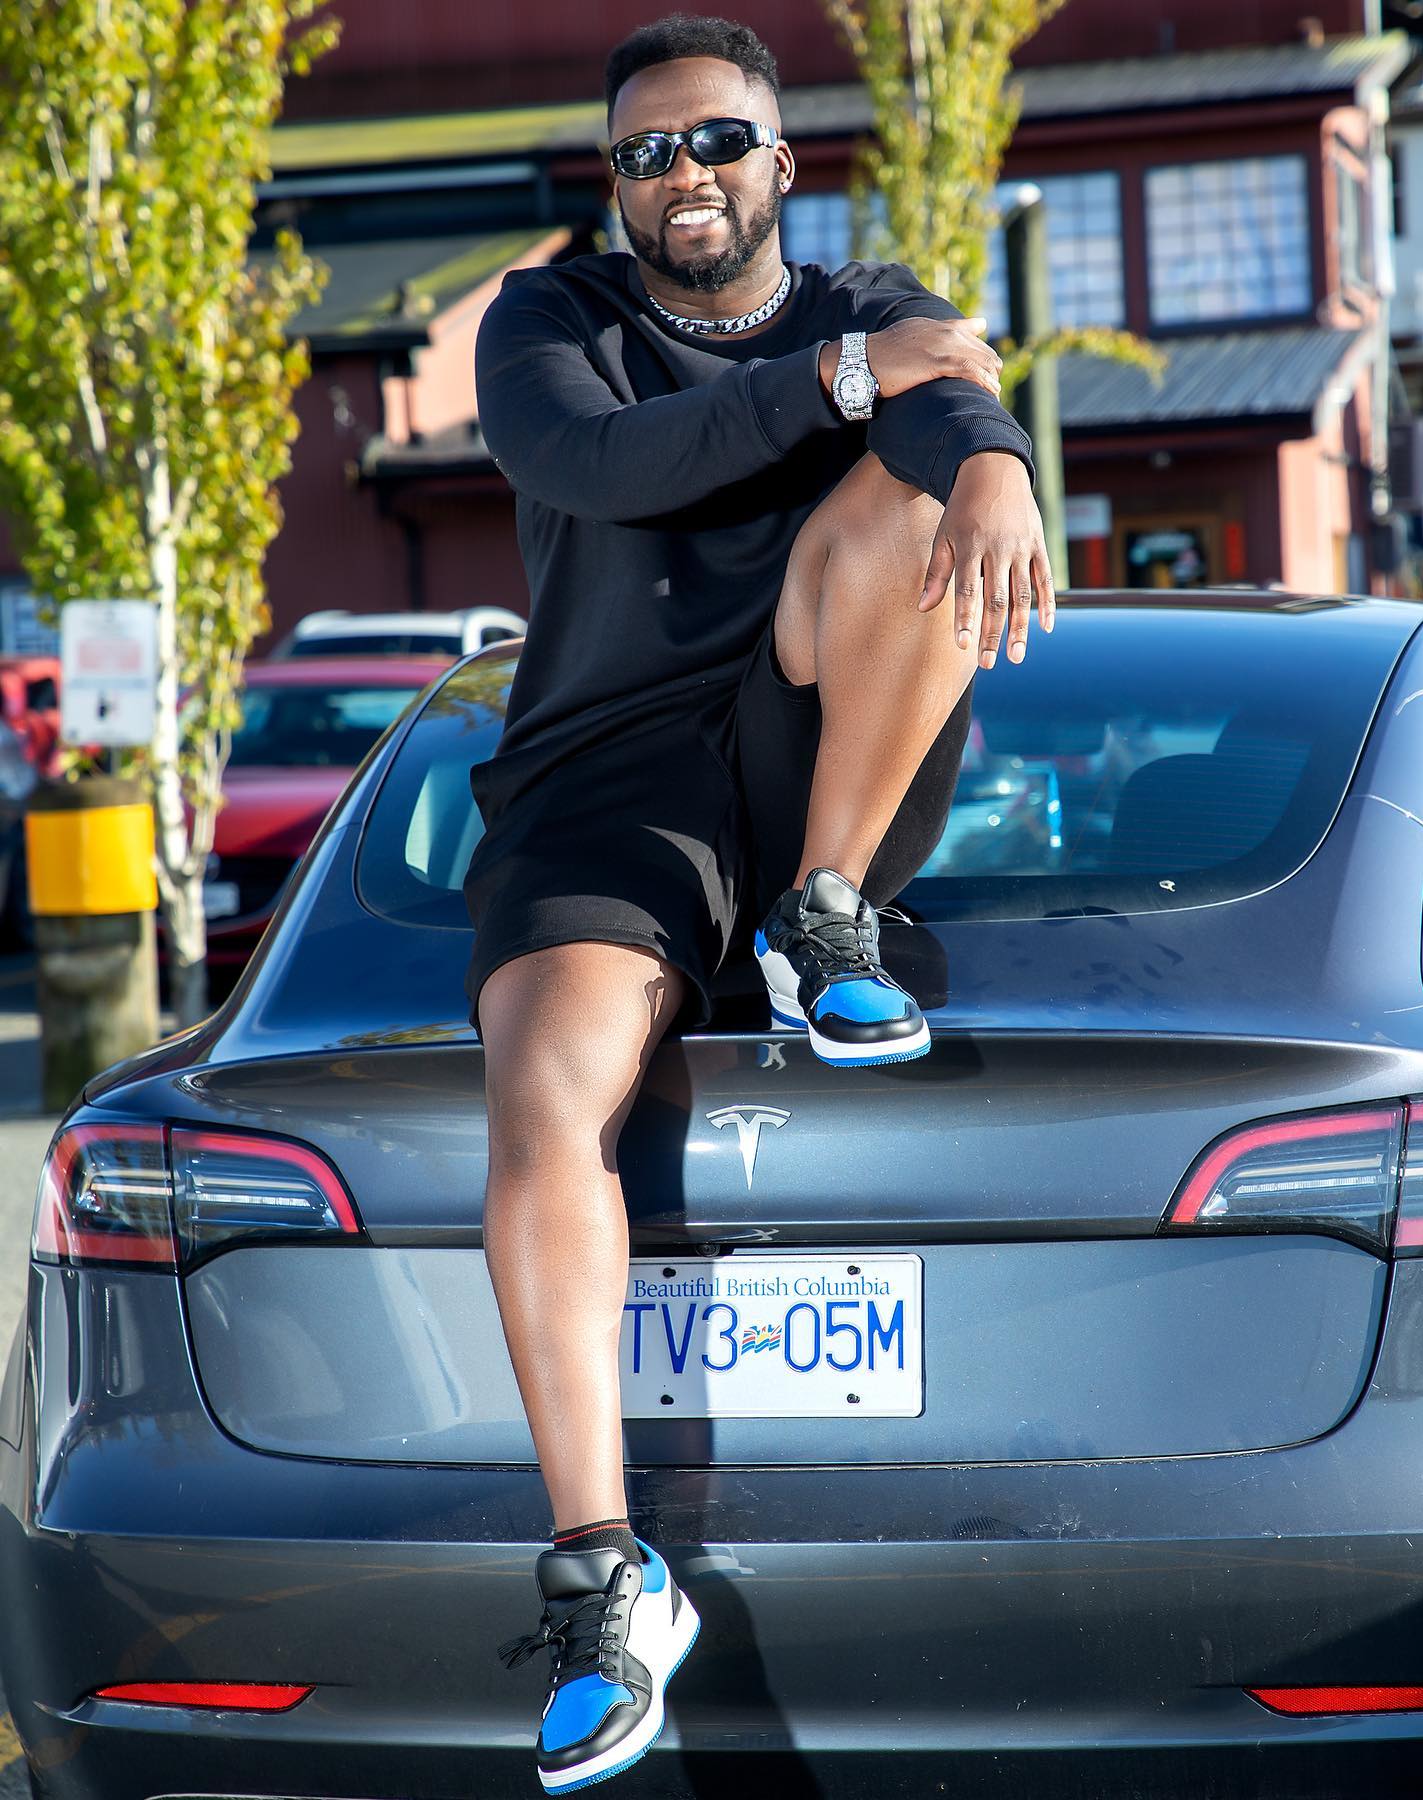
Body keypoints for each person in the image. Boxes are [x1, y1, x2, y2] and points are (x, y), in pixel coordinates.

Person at [467, 15, 1053, 1792]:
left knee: (916, 497)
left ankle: (824, 915)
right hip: (603, 787)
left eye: (716, 139)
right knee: (546, 1093)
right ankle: (604, 1581)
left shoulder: (862, 301)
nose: (684, 175)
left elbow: (943, 393)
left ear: (781, 161)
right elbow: (605, 468)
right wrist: (849, 381)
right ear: (616, 185)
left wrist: (996, 456)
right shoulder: (551, 321)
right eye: (645, 153)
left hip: (818, 764)